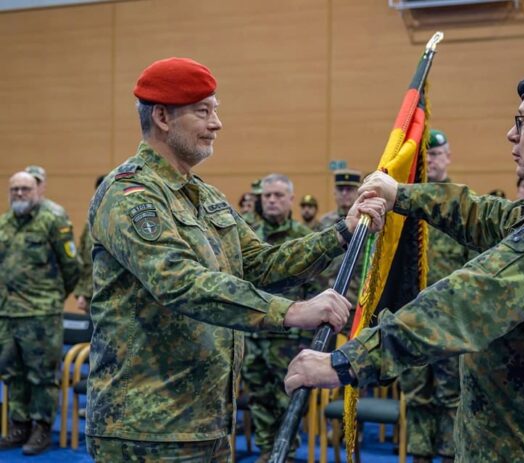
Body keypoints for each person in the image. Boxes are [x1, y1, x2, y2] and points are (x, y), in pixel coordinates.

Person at [285, 60, 524, 462]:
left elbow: (475, 296)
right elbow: (486, 215)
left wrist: (348, 360)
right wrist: (401, 195)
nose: (511, 133)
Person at [85, 57, 386, 462]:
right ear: (162, 117)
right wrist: (292, 311)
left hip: (208, 420)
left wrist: (341, 234)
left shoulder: (205, 196)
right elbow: (180, 282)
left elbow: (260, 264)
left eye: (216, 110)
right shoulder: (129, 195)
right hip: (147, 429)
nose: (217, 123)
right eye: (203, 111)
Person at [400, 129, 473, 463]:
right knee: (416, 393)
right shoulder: (406, 205)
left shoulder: (462, 204)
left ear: (448, 157)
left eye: (436, 154)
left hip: (449, 320)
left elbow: (475, 266)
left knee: (450, 395)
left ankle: (447, 455)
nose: (431, 160)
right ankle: (419, 455)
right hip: (411, 318)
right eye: (425, 156)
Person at [0, 172, 79, 455]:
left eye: (25, 188)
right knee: (12, 372)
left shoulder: (53, 219)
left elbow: (72, 267)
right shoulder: (4, 223)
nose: (19, 194)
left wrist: (51, 299)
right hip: (7, 313)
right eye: (15, 189)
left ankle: (41, 428)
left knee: (42, 375)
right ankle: (19, 425)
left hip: (41, 314)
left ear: (37, 190)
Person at [242, 174, 317, 463]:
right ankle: (265, 452)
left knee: (290, 398)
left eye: (278, 195)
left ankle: (287, 453)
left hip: (290, 338)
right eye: (267, 195)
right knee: (259, 396)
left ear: (291, 199)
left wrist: (309, 336)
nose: (271, 200)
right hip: (255, 333)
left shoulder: (304, 237)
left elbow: (316, 288)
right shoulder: (249, 235)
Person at [317, 169, 364, 330]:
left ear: (358, 192)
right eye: (340, 189)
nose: (345, 194)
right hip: (329, 301)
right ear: (334, 193)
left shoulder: (368, 222)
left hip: (359, 302)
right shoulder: (324, 223)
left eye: (349, 189)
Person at [74, 175, 105, 313]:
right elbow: (82, 259)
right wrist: (81, 293)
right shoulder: (90, 224)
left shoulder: (122, 223)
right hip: (91, 297)